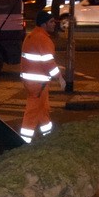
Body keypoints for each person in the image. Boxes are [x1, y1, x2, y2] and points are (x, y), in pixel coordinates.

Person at [18, 10, 66, 143]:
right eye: (51, 22)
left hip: (32, 82)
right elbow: (48, 62)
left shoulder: (31, 36)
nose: (54, 24)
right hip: (38, 83)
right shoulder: (44, 39)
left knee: (42, 109)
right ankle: (24, 141)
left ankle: (48, 135)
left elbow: (39, 60)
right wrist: (60, 77)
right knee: (33, 111)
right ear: (44, 24)